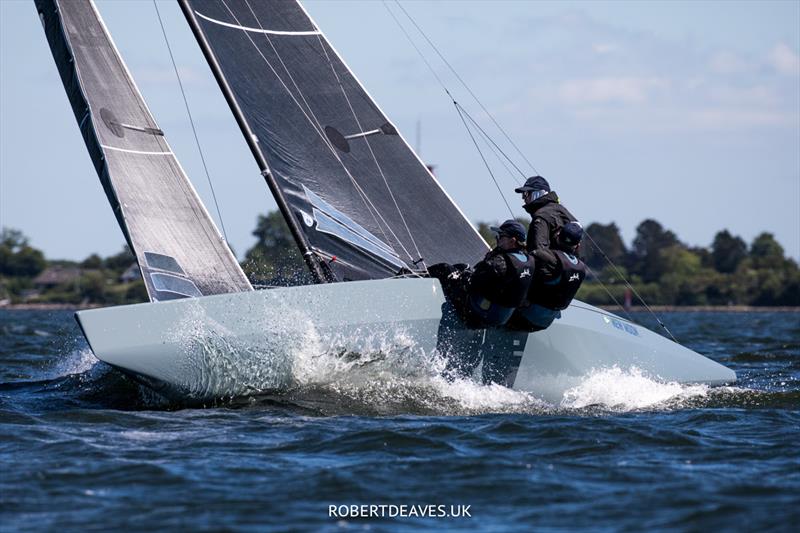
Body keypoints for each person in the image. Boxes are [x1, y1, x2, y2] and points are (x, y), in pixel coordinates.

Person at [429, 220, 534, 328]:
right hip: (500, 317)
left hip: (476, 316)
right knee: (463, 267)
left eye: (501, 236)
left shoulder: (499, 263)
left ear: (512, 241)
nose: (497, 239)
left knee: (444, 268)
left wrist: (488, 259)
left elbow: (473, 283)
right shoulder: (529, 260)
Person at [508, 221, 586, 331]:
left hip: (523, 317)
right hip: (544, 323)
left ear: (558, 236)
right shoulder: (581, 268)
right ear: (578, 245)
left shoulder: (544, 256)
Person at [515, 175, 577, 253]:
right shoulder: (561, 209)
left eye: (526, 194)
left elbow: (539, 251)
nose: (523, 198)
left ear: (538, 193)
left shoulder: (541, 217)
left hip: (550, 265)